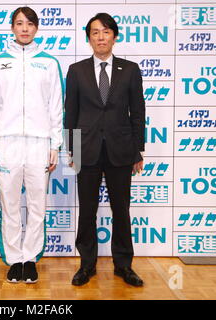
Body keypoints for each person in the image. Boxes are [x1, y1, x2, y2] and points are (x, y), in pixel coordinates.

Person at [65, 13, 145, 287]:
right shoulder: (76, 70)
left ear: (115, 36)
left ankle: (124, 265)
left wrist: (138, 151)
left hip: (120, 151)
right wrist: (72, 150)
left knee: (121, 210)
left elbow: (138, 113)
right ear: (89, 38)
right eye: (95, 33)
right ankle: (86, 265)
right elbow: (71, 113)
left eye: (106, 32)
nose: (100, 37)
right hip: (85, 151)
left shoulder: (130, 69)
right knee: (87, 210)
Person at [0, 6, 63, 284]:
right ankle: (14, 258)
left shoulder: (50, 63)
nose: (24, 28)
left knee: (36, 204)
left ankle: (30, 259)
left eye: (29, 23)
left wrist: (56, 144)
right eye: (19, 23)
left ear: (37, 27)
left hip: (40, 143)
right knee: (9, 204)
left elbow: (56, 106)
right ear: (12, 27)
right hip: (6, 143)